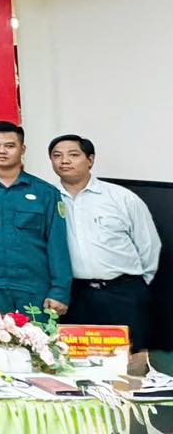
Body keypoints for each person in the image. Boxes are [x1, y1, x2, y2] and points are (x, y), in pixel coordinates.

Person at [49, 134, 160, 353]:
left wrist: (136, 284)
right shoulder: (48, 198)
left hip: (122, 293)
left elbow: (148, 246)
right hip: (74, 296)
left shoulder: (121, 198)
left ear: (90, 159)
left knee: (129, 359)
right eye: (57, 155)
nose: (64, 161)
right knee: (76, 359)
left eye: (73, 155)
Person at [0, 122, 72, 316]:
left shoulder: (45, 193)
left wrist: (60, 290)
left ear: (22, 149)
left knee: (38, 335)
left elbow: (57, 245)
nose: (2, 151)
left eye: (9, 145)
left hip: (35, 287)